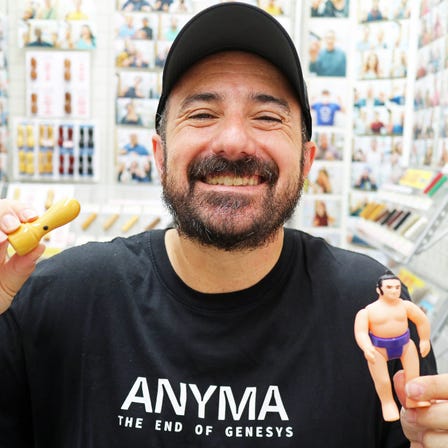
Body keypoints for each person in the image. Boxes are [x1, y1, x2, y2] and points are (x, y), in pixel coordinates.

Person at [0, 3, 447, 447]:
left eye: (267, 117)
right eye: (202, 114)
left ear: (306, 161)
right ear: (160, 155)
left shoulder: (368, 305)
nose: (233, 142)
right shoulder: (51, 300)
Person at [354, 273, 431, 421]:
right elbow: (361, 332)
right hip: (378, 349)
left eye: (397, 287)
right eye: (389, 287)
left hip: (405, 345)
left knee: (413, 374)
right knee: (383, 380)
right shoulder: (368, 311)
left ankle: (414, 398)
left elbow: (421, 320)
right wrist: (366, 347)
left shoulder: (405, 306)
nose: (394, 290)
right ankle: (387, 404)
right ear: (379, 289)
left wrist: (425, 339)